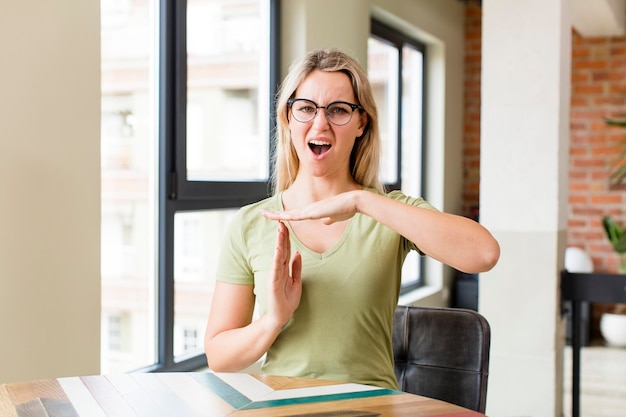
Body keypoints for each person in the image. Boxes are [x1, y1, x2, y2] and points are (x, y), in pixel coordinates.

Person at [204, 48, 500, 390]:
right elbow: (219, 357)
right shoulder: (250, 224)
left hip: (371, 409)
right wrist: (273, 320)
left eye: (339, 110)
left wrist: (363, 201)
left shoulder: (388, 211)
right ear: (287, 118)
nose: (320, 123)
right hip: (279, 408)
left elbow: (484, 254)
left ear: (362, 123)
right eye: (306, 108)